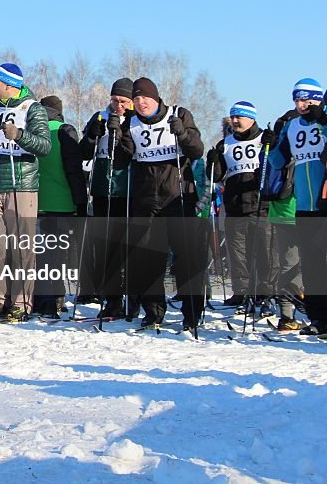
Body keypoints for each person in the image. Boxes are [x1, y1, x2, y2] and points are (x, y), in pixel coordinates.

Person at [113, 77, 206, 334]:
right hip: (145, 199)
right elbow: (119, 163)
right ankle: (153, 312)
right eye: (137, 98)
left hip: (178, 196)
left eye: (145, 98)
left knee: (186, 258)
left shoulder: (178, 114)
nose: (141, 103)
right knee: (148, 259)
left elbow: (197, 150)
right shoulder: (130, 122)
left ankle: (192, 313)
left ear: (156, 98)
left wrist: (183, 134)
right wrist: (116, 136)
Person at [0, 63, 52, 320]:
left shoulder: (32, 108)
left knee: (21, 246)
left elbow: (45, 146)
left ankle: (22, 302)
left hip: (22, 184)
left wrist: (20, 135)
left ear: (8, 85)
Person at [268, 79, 327, 334]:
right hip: (304, 204)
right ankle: (318, 318)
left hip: (325, 201)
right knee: (312, 264)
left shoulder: (323, 122)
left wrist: (323, 120)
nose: (302, 105)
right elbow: (278, 160)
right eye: (297, 100)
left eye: (307, 100)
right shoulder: (292, 126)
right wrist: (272, 141)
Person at [207, 101, 274, 317]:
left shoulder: (263, 138)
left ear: (252, 118)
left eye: (240, 117)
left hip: (260, 205)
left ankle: (264, 293)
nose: (235, 121)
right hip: (235, 206)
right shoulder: (225, 143)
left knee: (263, 252)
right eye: (233, 117)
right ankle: (241, 292)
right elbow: (217, 176)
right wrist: (213, 162)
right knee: (237, 254)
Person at [78, 78, 134, 319]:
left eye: (122, 101)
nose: (117, 106)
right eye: (114, 100)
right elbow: (82, 151)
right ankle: (111, 298)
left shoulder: (136, 120)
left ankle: (133, 297)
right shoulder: (99, 116)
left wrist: (119, 133)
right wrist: (92, 135)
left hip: (128, 191)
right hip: (102, 190)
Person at [34, 95, 87, 318]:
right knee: (55, 256)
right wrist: (81, 202)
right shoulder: (64, 130)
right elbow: (73, 170)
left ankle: (39, 299)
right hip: (62, 203)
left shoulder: (31, 130)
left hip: (33, 201)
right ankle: (54, 300)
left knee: (37, 254)